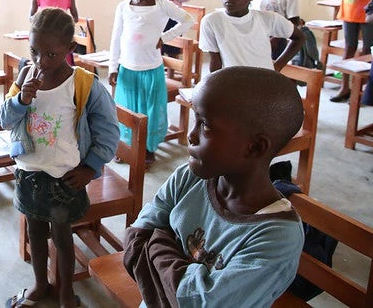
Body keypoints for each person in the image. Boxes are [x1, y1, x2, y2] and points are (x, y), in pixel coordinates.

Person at [123, 66, 305, 307]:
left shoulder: (277, 236)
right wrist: (171, 261)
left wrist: (156, 241)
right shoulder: (189, 177)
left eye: (205, 125)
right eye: (194, 120)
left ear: (255, 147)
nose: (191, 135)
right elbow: (135, 241)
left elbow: (200, 302)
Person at [0, 8, 120, 308]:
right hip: (29, 173)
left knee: (64, 240)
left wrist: (91, 167)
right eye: (35, 51)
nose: (41, 61)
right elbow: (4, 119)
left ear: (70, 49)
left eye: (51, 54)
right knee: (36, 234)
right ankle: (41, 284)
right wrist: (21, 100)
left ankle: (66, 293)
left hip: (64, 179)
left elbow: (109, 132)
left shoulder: (84, 84)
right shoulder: (26, 75)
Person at [108, 0, 194, 169]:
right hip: (128, 69)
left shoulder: (162, 6)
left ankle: (148, 149)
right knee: (127, 110)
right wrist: (113, 67)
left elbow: (188, 20)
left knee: (151, 111)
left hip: (151, 70)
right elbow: (116, 37)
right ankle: (127, 146)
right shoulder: (123, 7)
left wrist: (165, 36)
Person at [200, 0, 305, 73]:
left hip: (265, 82)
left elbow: (299, 37)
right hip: (232, 83)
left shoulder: (269, 19)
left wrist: (277, 67)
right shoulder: (211, 22)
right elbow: (215, 62)